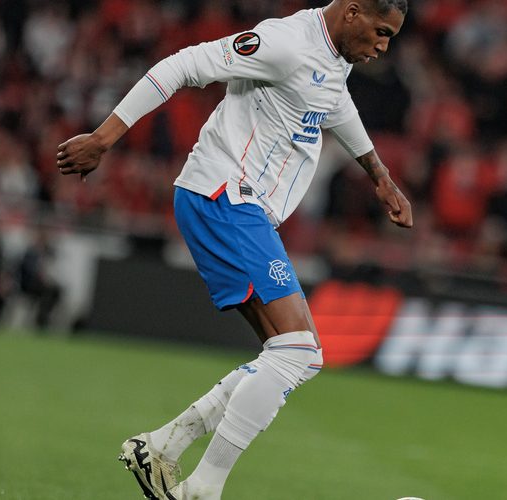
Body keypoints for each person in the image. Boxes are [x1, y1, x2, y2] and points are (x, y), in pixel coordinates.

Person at [56, 1, 412, 498]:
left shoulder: (334, 58)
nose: (383, 47)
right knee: (299, 351)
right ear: (352, 12)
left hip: (239, 207)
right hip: (224, 196)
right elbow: (182, 65)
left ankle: (163, 447)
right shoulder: (285, 43)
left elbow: (336, 105)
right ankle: (203, 487)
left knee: (292, 355)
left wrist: (381, 177)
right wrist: (104, 137)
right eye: (380, 32)